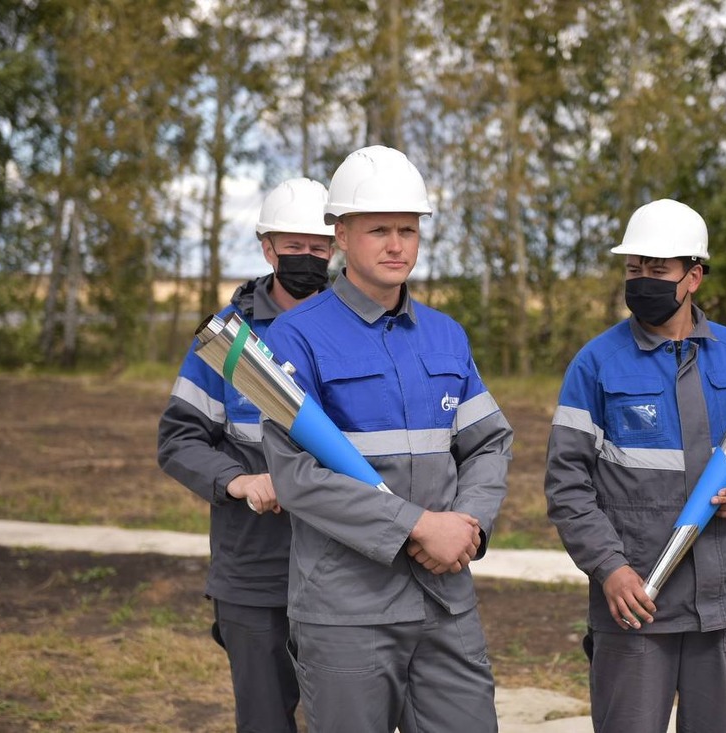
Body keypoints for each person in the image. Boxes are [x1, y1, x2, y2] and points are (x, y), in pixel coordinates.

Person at [261, 145, 513, 733]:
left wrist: (467, 526)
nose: (397, 244)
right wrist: (419, 526)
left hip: (443, 599)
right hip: (346, 611)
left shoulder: (447, 337)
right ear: (341, 234)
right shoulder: (297, 338)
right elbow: (298, 477)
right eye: (379, 230)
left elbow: (488, 443)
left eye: (408, 229)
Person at [544, 198, 726, 733]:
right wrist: (609, 568)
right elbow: (567, 483)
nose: (642, 281)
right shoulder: (596, 363)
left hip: (721, 608)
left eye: (658, 270)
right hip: (637, 606)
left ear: (693, 276)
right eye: (634, 269)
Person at [157, 177, 336, 733]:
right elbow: (179, 439)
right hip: (253, 571)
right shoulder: (229, 341)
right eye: (294, 246)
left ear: (336, 249)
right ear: (267, 248)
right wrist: (239, 481)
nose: (307, 258)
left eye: (319, 247)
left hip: (341, 568)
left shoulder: (354, 328)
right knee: (264, 719)